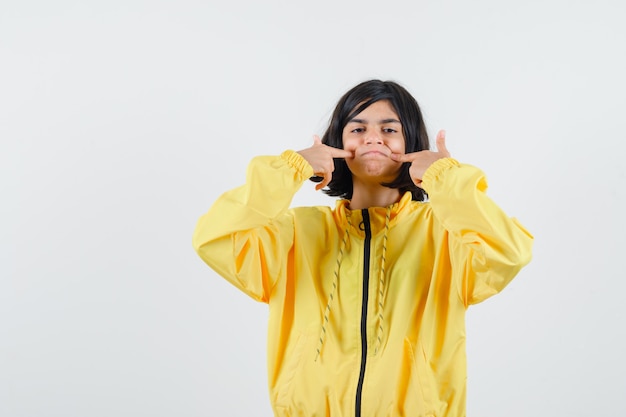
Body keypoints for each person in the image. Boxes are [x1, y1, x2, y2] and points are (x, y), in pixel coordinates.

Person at [192, 79, 533, 417]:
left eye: (389, 130)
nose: (373, 138)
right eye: (357, 129)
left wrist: (445, 178)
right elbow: (215, 237)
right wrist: (291, 168)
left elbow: (509, 251)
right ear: (335, 144)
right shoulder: (296, 233)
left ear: (411, 143)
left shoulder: (445, 233)